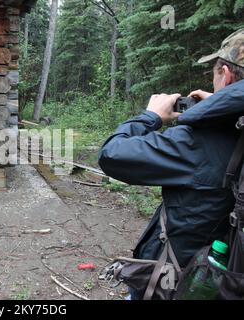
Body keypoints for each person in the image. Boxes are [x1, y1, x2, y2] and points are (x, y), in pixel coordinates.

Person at [98, 28, 244, 300]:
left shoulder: (195, 141)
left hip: (181, 282)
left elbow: (112, 154)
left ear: (225, 74)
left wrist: (150, 116)